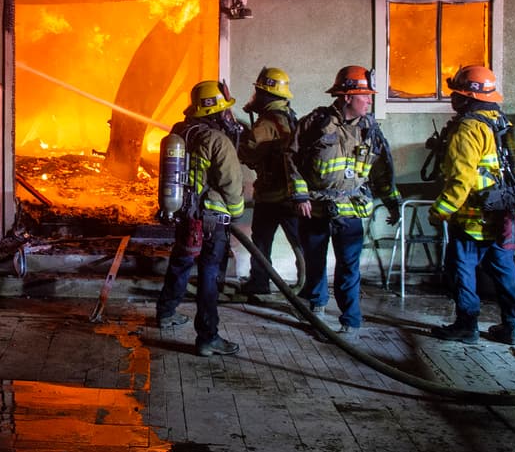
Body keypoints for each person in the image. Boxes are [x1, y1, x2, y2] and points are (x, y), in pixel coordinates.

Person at [287, 66, 401, 338]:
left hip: (350, 211)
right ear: (347, 96)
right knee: (314, 263)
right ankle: (316, 306)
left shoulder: (370, 129)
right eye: (365, 96)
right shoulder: (314, 123)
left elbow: (383, 169)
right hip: (315, 208)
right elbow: (291, 158)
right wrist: (300, 194)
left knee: (349, 268)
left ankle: (350, 320)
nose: (370, 101)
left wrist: (393, 202)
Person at [428, 65, 515, 345]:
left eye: (456, 93)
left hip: (472, 218)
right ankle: (512, 327)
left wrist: (441, 211)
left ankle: (467, 326)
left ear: (467, 97)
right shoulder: (498, 121)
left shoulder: (469, 128)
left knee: (461, 269)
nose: (452, 100)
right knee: (505, 270)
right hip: (502, 214)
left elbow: (461, 180)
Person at [154, 79, 247, 356]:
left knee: (181, 262)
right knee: (209, 276)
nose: (229, 116)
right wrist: (237, 212)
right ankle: (208, 337)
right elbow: (231, 184)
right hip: (212, 221)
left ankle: (166, 312)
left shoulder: (180, 132)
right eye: (225, 111)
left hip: (184, 215)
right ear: (216, 112)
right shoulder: (218, 140)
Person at [236, 67, 302, 295]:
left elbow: (248, 152)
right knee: (300, 243)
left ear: (266, 94)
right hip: (292, 193)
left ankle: (259, 282)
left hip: (272, 194)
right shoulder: (288, 115)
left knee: (262, 241)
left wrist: (239, 139)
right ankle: (310, 285)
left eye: (258, 91)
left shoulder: (266, 123)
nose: (255, 95)